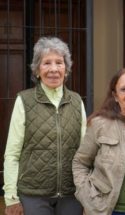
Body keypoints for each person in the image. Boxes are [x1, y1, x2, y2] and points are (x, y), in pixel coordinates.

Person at [3, 36, 87, 215]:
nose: (54, 69)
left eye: (59, 62)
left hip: (71, 194)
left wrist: (88, 193)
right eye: (47, 63)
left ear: (67, 68)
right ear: (37, 70)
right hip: (33, 195)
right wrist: (11, 197)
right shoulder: (24, 101)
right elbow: (12, 153)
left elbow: (85, 153)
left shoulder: (77, 101)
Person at [72, 68, 125, 215]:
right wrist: (89, 199)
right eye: (124, 89)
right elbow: (80, 163)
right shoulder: (99, 124)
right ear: (115, 96)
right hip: (107, 210)